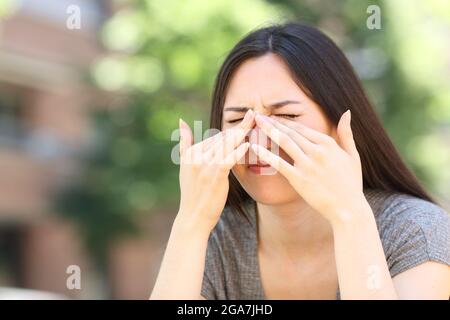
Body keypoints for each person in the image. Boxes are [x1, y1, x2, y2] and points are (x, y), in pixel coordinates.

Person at [150, 22, 450, 300]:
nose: (258, 140)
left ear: (340, 126)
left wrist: (349, 216)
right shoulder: (216, 242)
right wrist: (191, 223)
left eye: (286, 116)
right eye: (238, 119)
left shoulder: (415, 231)